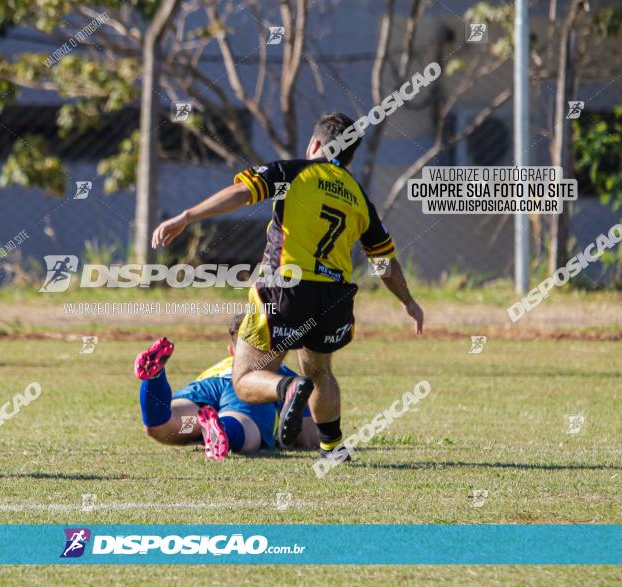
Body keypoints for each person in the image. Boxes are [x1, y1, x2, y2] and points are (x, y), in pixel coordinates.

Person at [151, 112, 424, 464]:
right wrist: (408, 301)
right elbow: (384, 260)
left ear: (315, 144)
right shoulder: (358, 197)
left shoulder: (293, 172)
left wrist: (187, 216)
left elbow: (241, 193)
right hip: (333, 295)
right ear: (351, 157)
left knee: (245, 377)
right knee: (320, 371)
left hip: (285, 287)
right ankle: (333, 449)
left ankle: (287, 388)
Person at [135, 314, 318, 460]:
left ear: (232, 351)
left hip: (207, 385)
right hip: (247, 386)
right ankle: (223, 427)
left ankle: (155, 377)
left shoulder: (219, 366)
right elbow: (309, 438)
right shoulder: (278, 374)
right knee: (244, 429)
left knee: (165, 425)